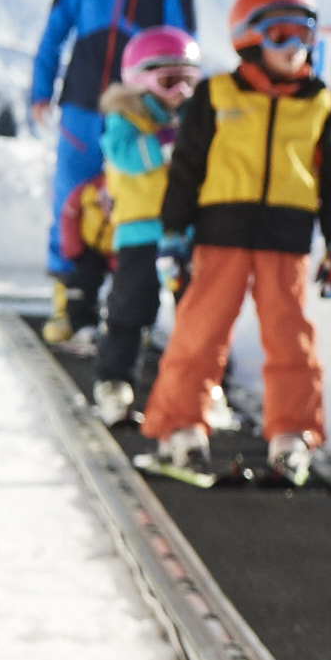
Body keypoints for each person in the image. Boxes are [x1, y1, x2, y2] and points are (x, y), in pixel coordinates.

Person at [132, 0, 331, 488]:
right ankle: (182, 429)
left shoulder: (320, 106)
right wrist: (173, 233)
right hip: (221, 236)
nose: (293, 46)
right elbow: (186, 168)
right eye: (279, 34)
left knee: (290, 339)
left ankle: (292, 435)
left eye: (303, 33)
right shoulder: (217, 95)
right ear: (249, 38)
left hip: (287, 240)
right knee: (200, 333)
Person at [25, 0, 199, 314]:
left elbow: (183, 44)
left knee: (136, 194)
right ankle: (70, 295)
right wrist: (41, 87)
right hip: (83, 100)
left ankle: (133, 298)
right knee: (72, 195)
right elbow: (56, 27)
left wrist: (182, 104)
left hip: (142, 108)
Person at [86, 24, 199, 412]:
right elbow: (125, 158)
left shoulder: (193, 120)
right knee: (130, 309)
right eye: (170, 81)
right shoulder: (125, 119)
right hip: (139, 233)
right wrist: (168, 142)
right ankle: (114, 379)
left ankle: (203, 383)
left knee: (198, 308)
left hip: (183, 233)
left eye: (188, 81)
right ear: (140, 81)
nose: (181, 93)